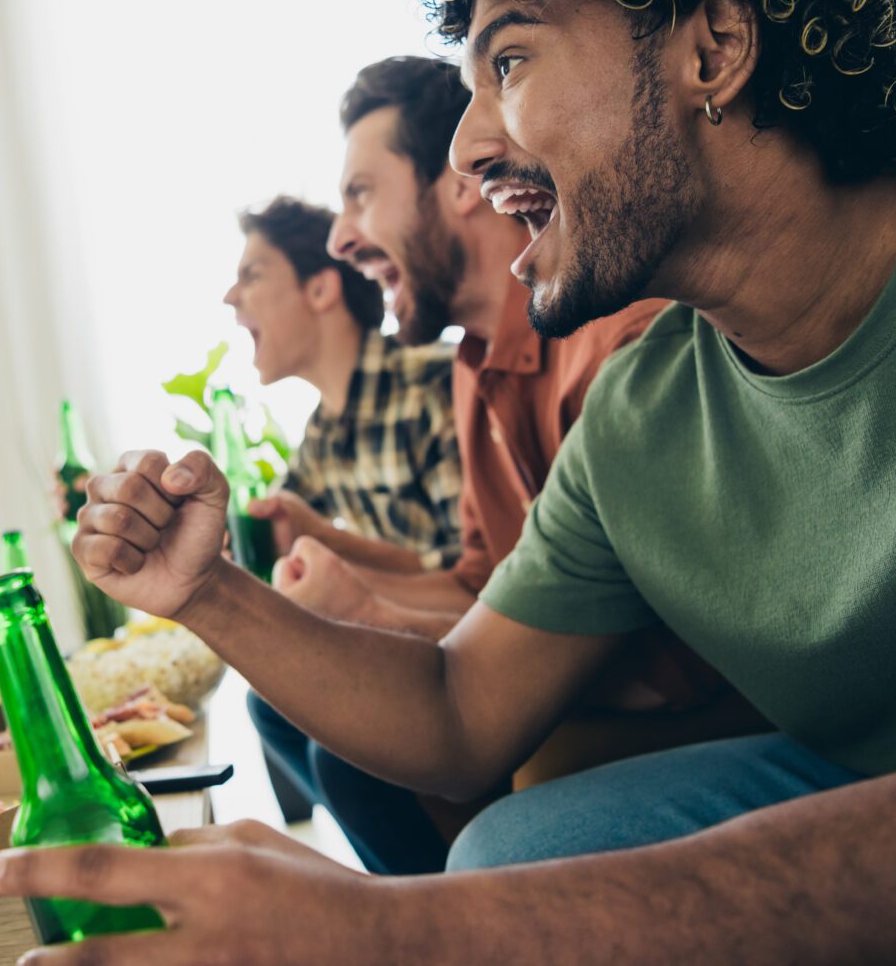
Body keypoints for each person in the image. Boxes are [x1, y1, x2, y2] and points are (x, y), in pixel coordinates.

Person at [0, 0, 896, 962]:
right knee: (512, 843)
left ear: (712, 48)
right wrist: (204, 587)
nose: (469, 150)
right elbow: (462, 709)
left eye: (509, 61)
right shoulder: (648, 407)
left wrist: (385, 935)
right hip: (881, 774)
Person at [247, 56, 741, 877]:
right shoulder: (476, 365)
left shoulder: (616, 348)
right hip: (584, 690)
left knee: (361, 758)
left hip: (691, 708)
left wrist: (373, 613)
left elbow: (658, 661)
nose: (339, 239)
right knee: (312, 728)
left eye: (361, 193)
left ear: (461, 184)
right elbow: (483, 582)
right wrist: (353, 581)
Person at [223, 194, 463, 575]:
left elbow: (482, 577)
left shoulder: (436, 383)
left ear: (320, 290)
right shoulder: (323, 433)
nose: (229, 297)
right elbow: (269, 520)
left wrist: (325, 538)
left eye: (251, 276)